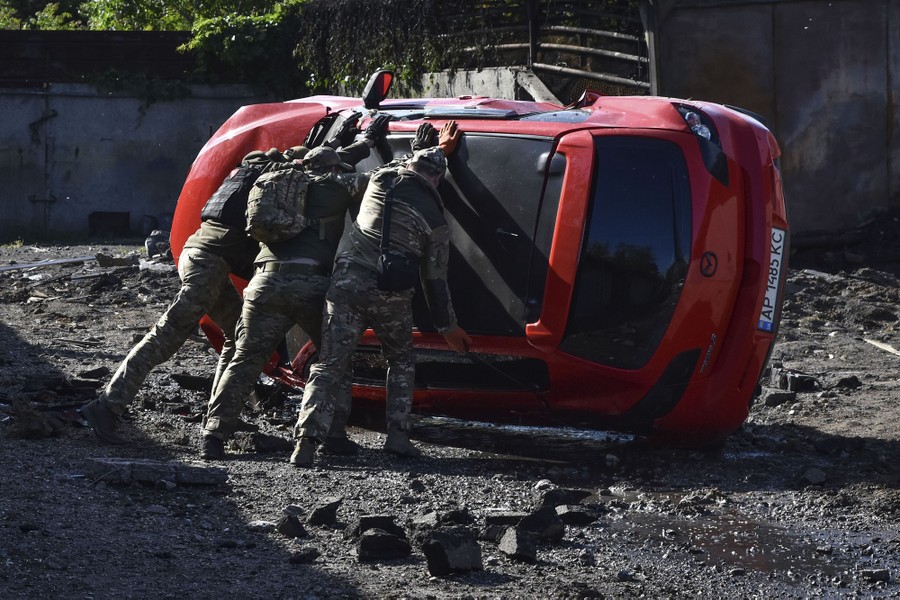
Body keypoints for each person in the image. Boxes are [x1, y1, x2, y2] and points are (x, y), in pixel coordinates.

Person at [199, 117, 392, 460]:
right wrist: (419, 153)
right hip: (309, 283)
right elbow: (383, 181)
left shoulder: (282, 183)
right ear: (334, 169)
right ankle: (332, 435)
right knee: (334, 359)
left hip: (262, 284)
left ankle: (214, 434)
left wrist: (359, 143)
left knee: (245, 358)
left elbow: (337, 158)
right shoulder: (335, 186)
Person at [79, 150, 281, 444]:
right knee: (165, 338)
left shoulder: (239, 181)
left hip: (197, 256)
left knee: (238, 336)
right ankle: (107, 407)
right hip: (209, 266)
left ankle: (222, 417)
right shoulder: (263, 189)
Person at [290, 144, 471, 468]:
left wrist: (425, 147)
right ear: (437, 181)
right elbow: (435, 279)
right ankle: (398, 438)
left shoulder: (379, 179)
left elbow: (399, 164)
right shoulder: (435, 220)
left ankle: (306, 442)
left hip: (346, 284)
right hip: (392, 294)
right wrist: (448, 327)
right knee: (400, 359)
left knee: (330, 364)